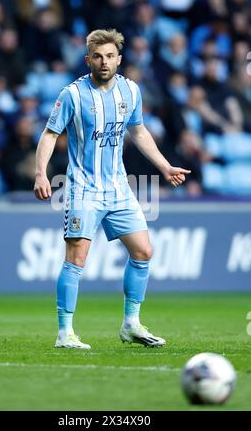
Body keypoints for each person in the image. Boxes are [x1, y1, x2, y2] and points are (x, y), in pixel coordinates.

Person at [34, 29, 191, 349]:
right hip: (82, 188)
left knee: (144, 252)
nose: (104, 62)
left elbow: (139, 131)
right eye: (98, 56)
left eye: (110, 56)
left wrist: (164, 166)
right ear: (88, 59)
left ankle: (131, 324)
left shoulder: (131, 91)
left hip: (119, 188)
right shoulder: (73, 95)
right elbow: (50, 134)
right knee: (76, 258)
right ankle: (65, 333)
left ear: (119, 59)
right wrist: (41, 174)